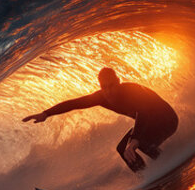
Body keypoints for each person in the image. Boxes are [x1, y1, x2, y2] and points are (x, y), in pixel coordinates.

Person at [22, 67, 178, 172]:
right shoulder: (101, 97)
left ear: (118, 82)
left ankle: (168, 164)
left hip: (167, 120)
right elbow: (75, 103)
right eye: (104, 87)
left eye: (112, 86)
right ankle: (146, 175)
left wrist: (135, 141)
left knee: (139, 144)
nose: (109, 91)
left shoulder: (133, 91)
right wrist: (46, 113)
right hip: (149, 125)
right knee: (122, 149)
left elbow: (143, 113)